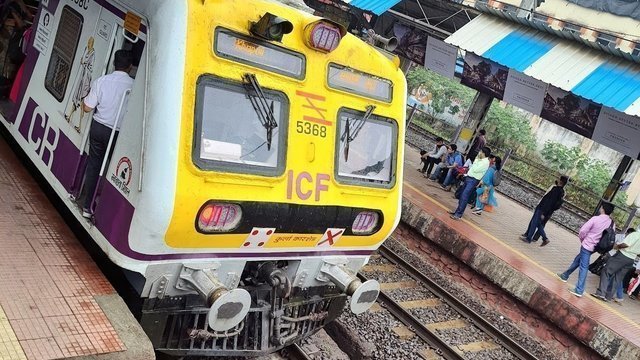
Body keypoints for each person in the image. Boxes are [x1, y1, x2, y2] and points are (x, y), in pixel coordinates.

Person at [79, 50, 133, 218]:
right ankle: (103, 209)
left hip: (98, 127)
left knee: (94, 164)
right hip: (117, 133)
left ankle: (87, 207)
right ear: (130, 67)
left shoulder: (102, 81)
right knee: (114, 170)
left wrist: (82, 102)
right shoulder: (133, 86)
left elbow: (87, 107)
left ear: (114, 64)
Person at [556, 202, 615, 297]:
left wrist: (583, 240)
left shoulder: (596, 219)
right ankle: (565, 275)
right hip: (597, 247)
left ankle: (579, 290)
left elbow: (583, 231)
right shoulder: (612, 223)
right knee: (578, 259)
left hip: (587, 245)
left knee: (584, 266)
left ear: (602, 209)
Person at [591, 229, 640, 302]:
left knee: (606, 271)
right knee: (618, 278)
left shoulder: (635, 234)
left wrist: (617, 246)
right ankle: (608, 296)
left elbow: (626, 244)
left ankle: (601, 293)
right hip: (631, 259)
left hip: (622, 255)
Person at [520, 175, 568, 247]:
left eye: (559, 179)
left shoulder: (556, 190)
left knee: (534, 223)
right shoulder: (560, 191)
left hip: (542, 209)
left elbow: (549, 202)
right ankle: (545, 239)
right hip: (543, 209)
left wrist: (544, 213)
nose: (557, 179)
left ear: (561, 181)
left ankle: (529, 238)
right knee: (538, 224)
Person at [449, 146, 490, 220]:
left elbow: (475, 169)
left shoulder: (485, 162)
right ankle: (456, 212)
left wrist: (476, 160)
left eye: (480, 152)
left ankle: (458, 215)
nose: (479, 153)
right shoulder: (480, 160)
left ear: (484, 153)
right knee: (462, 195)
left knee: (464, 196)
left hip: (473, 180)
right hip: (469, 178)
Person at [66, 36, 96, 132]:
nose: (88, 44)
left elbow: (90, 67)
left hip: (86, 79)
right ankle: (69, 116)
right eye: (88, 42)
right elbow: (81, 60)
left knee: (82, 100)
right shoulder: (86, 50)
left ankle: (80, 125)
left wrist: (85, 63)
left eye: (90, 42)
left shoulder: (93, 54)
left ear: (93, 43)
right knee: (76, 96)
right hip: (81, 77)